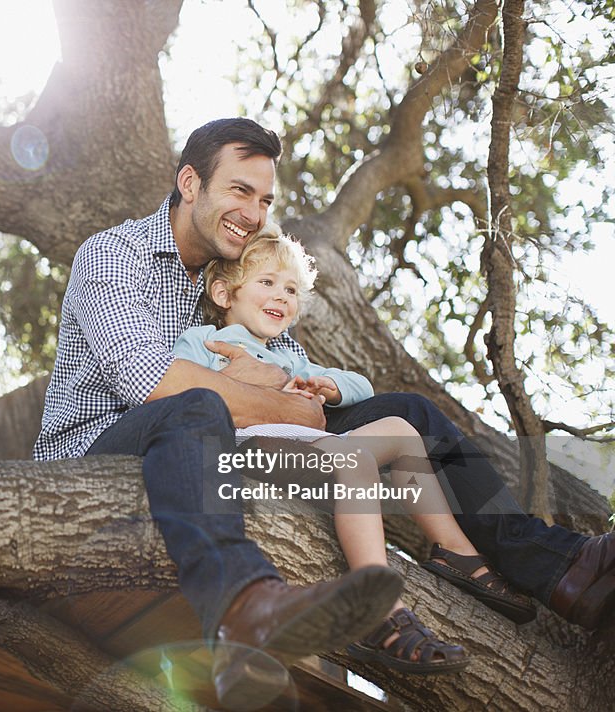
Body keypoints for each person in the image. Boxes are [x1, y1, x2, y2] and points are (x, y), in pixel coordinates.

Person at [33, 118, 614, 709]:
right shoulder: (114, 255)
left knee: (407, 411)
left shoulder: (219, 279)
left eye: (265, 200)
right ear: (190, 182)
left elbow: (268, 393)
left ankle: (549, 563)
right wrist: (288, 404)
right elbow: (150, 382)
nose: (254, 212)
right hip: (96, 462)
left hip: (213, 442)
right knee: (197, 403)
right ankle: (242, 604)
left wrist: (301, 397)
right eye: (239, 191)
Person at [174, 230, 537, 674]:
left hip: (309, 450)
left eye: (290, 290)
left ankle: (455, 550)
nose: (281, 297)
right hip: (248, 454)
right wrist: (248, 388)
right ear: (223, 292)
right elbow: (183, 397)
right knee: (354, 458)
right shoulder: (204, 341)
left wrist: (327, 387)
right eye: (266, 283)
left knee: (403, 432)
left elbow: (361, 386)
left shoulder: (290, 356)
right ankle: (380, 609)